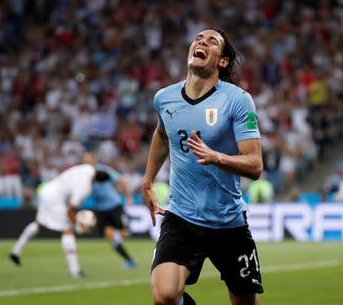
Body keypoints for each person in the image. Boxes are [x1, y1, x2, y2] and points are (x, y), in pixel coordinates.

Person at [142, 29, 264, 305]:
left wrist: (217, 156)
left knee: (245, 302)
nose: (201, 42)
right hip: (182, 218)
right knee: (164, 296)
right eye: (198, 38)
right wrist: (148, 179)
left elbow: (255, 165)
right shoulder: (165, 98)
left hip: (227, 222)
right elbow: (163, 134)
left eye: (211, 42)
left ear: (222, 61)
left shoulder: (237, 100)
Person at [8, 152, 97, 278]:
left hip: (46, 190)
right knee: (67, 230)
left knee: (40, 224)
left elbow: (89, 159)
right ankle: (75, 271)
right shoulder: (85, 186)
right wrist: (79, 226)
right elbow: (70, 211)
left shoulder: (86, 168)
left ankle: (15, 251)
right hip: (55, 198)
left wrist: (90, 157)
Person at [90, 163, 137, 268]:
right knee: (109, 235)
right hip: (100, 209)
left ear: (94, 159)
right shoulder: (84, 175)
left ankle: (126, 228)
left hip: (113, 206)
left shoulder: (103, 170)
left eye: (89, 158)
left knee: (125, 234)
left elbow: (122, 181)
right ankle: (129, 261)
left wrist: (129, 197)